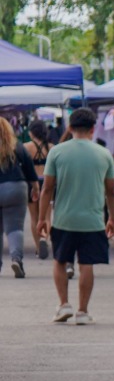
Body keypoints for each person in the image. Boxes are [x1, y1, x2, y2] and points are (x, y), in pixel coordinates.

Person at [38, 107, 114, 325]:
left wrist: (42, 218)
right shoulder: (104, 154)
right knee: (86, 264)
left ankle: (64, 304)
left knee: (60, 261)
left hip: (64, 219)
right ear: (93, 129)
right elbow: (111, 191)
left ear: (70, 127)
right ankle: (82, 311)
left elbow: (47, 188)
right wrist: (112, 218)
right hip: (93, 221)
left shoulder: (56, 152)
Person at [0, 118, 40, 277]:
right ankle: (16, 259)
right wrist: (35, 188)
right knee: (15, 228)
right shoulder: (17, 146)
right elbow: (30, 169)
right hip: (16, 187)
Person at [20, 119, 52, 259]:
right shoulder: (51, 147)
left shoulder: (25, 147)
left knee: (34, 217)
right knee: (46, 216)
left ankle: (38, 247)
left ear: (31, 132)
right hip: (47, 182)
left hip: (31, 183)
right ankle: (44, 238)